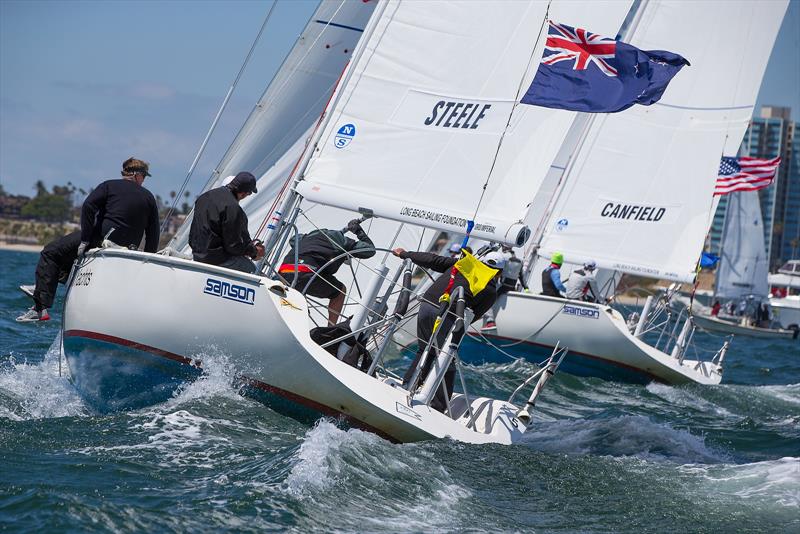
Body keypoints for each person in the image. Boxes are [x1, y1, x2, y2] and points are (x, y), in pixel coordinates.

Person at [17, 157, 160, 322]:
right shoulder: (149, 197)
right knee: (64, 257)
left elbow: (88, 206)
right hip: (130, 248)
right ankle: (45, 286)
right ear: (137, 175)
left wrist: (85, 238)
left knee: (50, 252)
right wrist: (148, 260)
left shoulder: (109, 185)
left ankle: (40, 308)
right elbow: (153, 231)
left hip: (101, 239)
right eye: (144, 177)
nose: (143, 181)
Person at [392, 246, 501, 412]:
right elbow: (473, 316)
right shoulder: (491, 290)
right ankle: (439, 406)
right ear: (499, 273)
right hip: (447, 314)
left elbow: (433, 260)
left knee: (424, 349)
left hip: (427, 305)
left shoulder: (463, 264)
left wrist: (405, 254)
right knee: (445, 358)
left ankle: (407, 385)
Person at [278, 219, 376, 326]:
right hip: (306, 274)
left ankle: (297, 316)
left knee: (301, 285)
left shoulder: (305, 237)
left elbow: (292, 239)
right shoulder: (342, 241)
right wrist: (358, 231)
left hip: (283, 272)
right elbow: (369, 250)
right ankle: (330, 327)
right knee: (340, 291)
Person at [189, 171, 265, 274]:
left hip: (197, 255)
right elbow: (233, 246)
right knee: (256, 274)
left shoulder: (204, 197)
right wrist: (254, 252)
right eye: (249, 193)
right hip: (216, 260)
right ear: (243, 193)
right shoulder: (232, 207)